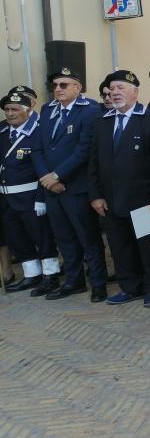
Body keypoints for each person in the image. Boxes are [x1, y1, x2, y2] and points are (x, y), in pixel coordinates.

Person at [89, 70, 150, 307]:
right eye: (112, 89)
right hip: (111, 200)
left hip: (144, 199)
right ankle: (129, 287)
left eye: (120, 88)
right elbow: (93, 161)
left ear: (135, 92)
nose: (115, 93)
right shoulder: (102, 122)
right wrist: (95, 195)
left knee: (149, 248)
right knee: (120, 248)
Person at [31, 67, 109, 301]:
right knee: (64, 238)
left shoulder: (91, 111)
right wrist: (47, 178)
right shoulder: (47, 110)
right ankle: (74, 282)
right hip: (52, 190)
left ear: (78, 87)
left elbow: (84, 150)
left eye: (63, 85)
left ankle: (98, 283)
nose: (57, 89)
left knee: (88, 238)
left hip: (76, 187)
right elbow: (38, 148)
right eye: (55, 85)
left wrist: (57, 176)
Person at [0, 93, 61, 293]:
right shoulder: (2, 132)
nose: (10, 114)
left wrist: (41, 198)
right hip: (7, 197)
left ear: (27, 110)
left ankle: (51, 275)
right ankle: (32, 274)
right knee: (16, 238)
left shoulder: (38, 132)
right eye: (7, 109)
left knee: (41, 237)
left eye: (15, 109)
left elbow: (43, 168)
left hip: (31, 196)